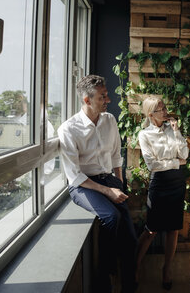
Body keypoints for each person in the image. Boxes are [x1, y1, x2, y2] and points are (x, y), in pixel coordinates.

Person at [57, 75, 137, 293]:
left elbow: (115, 155)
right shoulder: (68, 129)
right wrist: (108, 191)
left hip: (109, 179)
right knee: (111, 217)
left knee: (130, 239)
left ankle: (129, 285)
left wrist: (119, 183)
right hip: (83, 185)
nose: (108, 100)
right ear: (87, 100)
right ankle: (105, 279)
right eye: (103, 97)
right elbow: (74, 175)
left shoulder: (109, 120)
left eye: (106, 95)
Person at [136, 96, 189, 290]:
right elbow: (152, 165)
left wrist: (176, 132)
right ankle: (135, 266)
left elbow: (185, 155)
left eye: (165, 107)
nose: (166, 111)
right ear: (151, 114)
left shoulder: (172, 128)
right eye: (161, 109)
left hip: (177, 183)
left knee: (173, 229)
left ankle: (167, 269)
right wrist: (175, 163)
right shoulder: (144, 135)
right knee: (151, 229)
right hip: (159, 184)